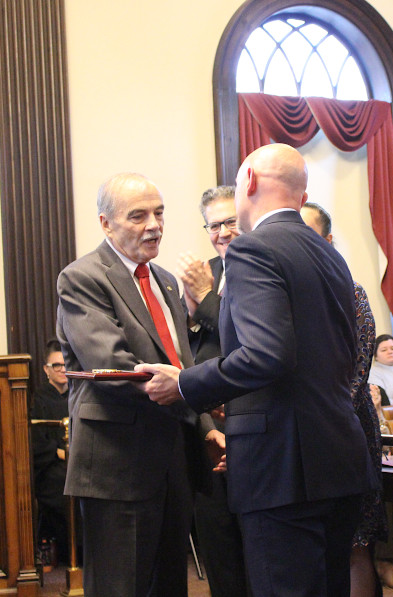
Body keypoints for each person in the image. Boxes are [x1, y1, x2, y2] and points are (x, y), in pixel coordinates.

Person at [138, 143, 375, 597]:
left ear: (248, 181)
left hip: (282, 468)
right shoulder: (329, 253)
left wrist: (185, 383)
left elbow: (267, 354)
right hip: (337, 458)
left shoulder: (253, 250)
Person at [56, 172, 203, 596]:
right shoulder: (82, 277)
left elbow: (182, 361)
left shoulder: (166, 281)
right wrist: (191, 390)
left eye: (159, 213)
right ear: (106, 223)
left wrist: (208, 427)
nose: (154, 225)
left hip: (173, 459)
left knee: (169, 584)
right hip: (117, 465)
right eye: (138, 216)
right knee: (120, 587)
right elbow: (111, 365)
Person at [300, 200, 387, 597]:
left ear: (328, 240)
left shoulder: (351, 292)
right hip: (303, 436)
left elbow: (356, 373)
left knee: (354, 543)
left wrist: (313, 424)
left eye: (308, 235)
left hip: (346, 431)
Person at [177, 185, 250, 597]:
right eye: (214, 225)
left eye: (230, 221)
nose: (223, 232)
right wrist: (191, 315)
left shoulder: (261, 267)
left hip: (254, 430)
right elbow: (184, 352)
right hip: (208, 431)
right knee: (219, 554)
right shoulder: (203, 273)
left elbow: (249, 345)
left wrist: (205, 301)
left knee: (259, 557)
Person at [29, 339, 72, 564]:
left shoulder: (77, 395)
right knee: (64, 487)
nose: (63, 370)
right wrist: (58, 452)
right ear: (47, 370)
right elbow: (35, 443)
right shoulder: (38, 399)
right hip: (50, 468)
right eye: (57, 365)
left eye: (66, 364)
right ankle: (69, 554)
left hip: (76, 463)